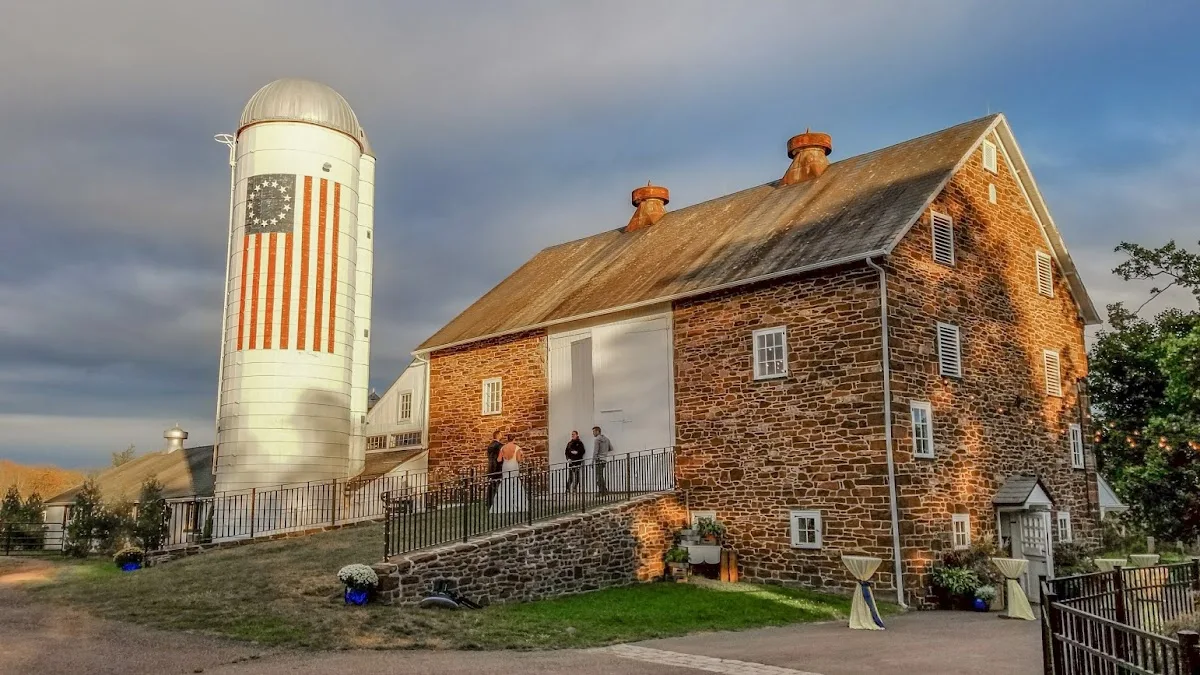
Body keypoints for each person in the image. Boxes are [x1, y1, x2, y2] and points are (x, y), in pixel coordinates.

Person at [490, 434, 529, 514]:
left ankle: (504, 504)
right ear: (514, 439)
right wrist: (522, 456)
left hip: (506, 466)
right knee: (515, 484)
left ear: (507, 439)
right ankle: (517, 504)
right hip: (513, 466)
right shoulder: (517, 448)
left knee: (505, 484)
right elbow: (518, 459)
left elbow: (499, 460)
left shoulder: (503, 448)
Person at [592, 426, 613, 496]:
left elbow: (595, 452)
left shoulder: (597, 440)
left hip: (598, 460)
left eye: (594, 431)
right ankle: (604, 490)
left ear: (598, 431)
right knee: (600, 476)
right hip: (604, 459)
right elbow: (611, 448)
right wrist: (604, 452)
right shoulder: (606, 439)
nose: (593, 433)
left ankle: (602, 491)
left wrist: (592, 461)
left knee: (598, 476)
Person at [485, 430, 503, 508]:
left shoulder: (490, 445)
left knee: (491, 485)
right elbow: (501, 457)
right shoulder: (499, 445)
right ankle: (496, 502)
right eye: (501, 434)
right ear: (498, 435)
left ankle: (489, 502)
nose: (502, 435)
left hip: (490, 467)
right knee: (497, 485)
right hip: (497, 467)